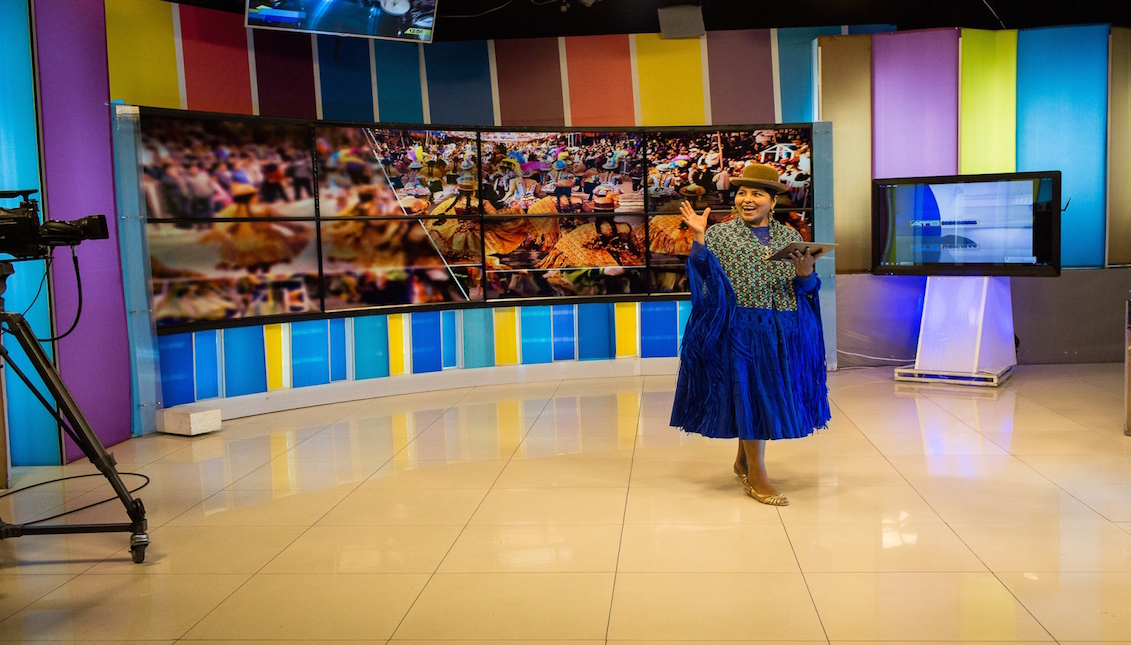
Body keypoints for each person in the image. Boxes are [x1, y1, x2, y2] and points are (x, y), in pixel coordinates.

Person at [670, 163, 829, 506]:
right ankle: (757, 474)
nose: (747, 198)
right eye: (742, 192)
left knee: (760, 395)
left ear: (773, 201)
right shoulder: (719, 235)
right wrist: (699, 239)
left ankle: (743, 460)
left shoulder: (790, 237)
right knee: (751, 395)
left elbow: (808, 288)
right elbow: (702, 275)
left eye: (757, 193)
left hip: (780, 329)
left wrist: (805, 274)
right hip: (739, 329)